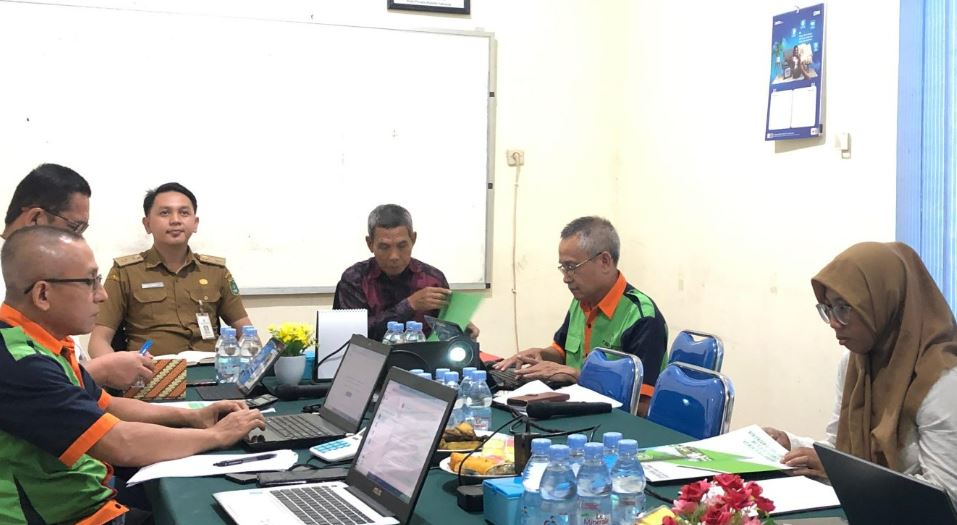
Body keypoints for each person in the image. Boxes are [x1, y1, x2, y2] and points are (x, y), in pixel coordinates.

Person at [0, 226, 266, 525]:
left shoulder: (43, 342)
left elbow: (109, 406)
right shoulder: (20, 362)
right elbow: (121, 443)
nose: (102, 295)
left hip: (85, 495)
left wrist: (192, 416)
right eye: (90, 282)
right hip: (70, 516)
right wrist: (216, 435)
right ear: (43, 294)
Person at [764, 242, 957, 501]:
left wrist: (841, 475)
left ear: (884, 304)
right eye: (828, 309)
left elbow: (946, 496)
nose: (834, 323)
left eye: (844, 308)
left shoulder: (943, 380)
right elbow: (841, 448)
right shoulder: (855, 363)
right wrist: (791, 445)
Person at [494, 216, 667, 416]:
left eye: (572, 267)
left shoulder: (642, 317)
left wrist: (576, 375)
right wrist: (539, 355)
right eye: (563, 268)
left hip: (614, 421)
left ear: (604, 261)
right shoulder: (581, 300)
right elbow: (561, 351)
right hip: (575, 407)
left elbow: (641, 407)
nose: (566, 278)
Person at [2, 163, 153, 389]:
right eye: (75, 227)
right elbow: (17, 375)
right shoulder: (19, 277)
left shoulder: (54, 272)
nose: (79, 239)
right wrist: (102, 369)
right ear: (35, 219)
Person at [88, 182, 252, 357]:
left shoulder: (216, 272)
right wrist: (119, 368)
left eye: (184, 213)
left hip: (210, 368)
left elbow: (247, 333)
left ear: (195, 223)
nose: (175, 220)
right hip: (152, 370)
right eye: (165, 213)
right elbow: (98, 341)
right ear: (147, 224)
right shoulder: (125, 272)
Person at [334, 203, 479, 342]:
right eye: (384, 247)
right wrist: (409, 306)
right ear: (370, 244)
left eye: (402, 246)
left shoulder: (432, 279)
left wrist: (461, 327)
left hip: (423, 357)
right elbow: (350, 335)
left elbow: (444, 330)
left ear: (413, 239)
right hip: (368, 357)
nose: (394, 256)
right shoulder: (355, 279)